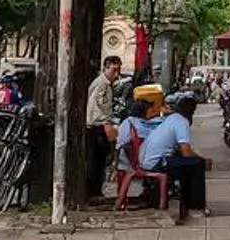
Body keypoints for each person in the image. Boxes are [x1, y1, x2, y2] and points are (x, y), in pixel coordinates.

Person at [122, 83, 206, 222]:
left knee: (187, 164)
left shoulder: (171, 119)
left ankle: (186, 199)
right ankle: (196, 207)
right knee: (197, 164)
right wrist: (201, 158)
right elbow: (186, 151)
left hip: (145, 160)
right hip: (155, 163)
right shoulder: (181, 121)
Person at [81, 54, 125, 202]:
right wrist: (106, 124)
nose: (116, 74)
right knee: (96, 161)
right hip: (96, 127)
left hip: (101, 125)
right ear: (106, 68)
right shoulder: (101, 84)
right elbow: (96, 108)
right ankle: (93, 191)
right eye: (114, 70)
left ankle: (96, 190)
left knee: (100, 161)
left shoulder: (107, 85)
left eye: (118, 70)